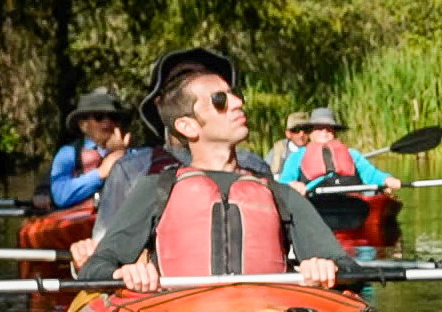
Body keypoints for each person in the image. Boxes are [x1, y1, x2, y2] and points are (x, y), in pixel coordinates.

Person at [79, 58, 352, 291]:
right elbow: (96, 268)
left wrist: (324, 267)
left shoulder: (279, 193)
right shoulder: (155, 189)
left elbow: (348, 268)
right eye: (220, 100)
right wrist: (123, 274)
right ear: (187, 126)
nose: (236, 103)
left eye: (235, 95)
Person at [40, 89, 129, 212]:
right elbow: (60, 196)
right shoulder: (68, 154)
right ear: (83, 125)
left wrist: (122, 155)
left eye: (113, 117)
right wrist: (100, 173)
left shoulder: (132, 154)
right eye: (99, 117)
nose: (107, 122)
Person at [274, 107, 396, 192]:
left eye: (329, 128)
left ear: (335, 133)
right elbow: (284, 181)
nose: (324, 131)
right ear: (310, 133)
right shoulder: (297, 156)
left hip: (349, 199)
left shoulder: (352, 154)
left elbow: (371, 174)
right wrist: (293, 185)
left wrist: (386, 179)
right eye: (319, 127)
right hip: (314, 200)